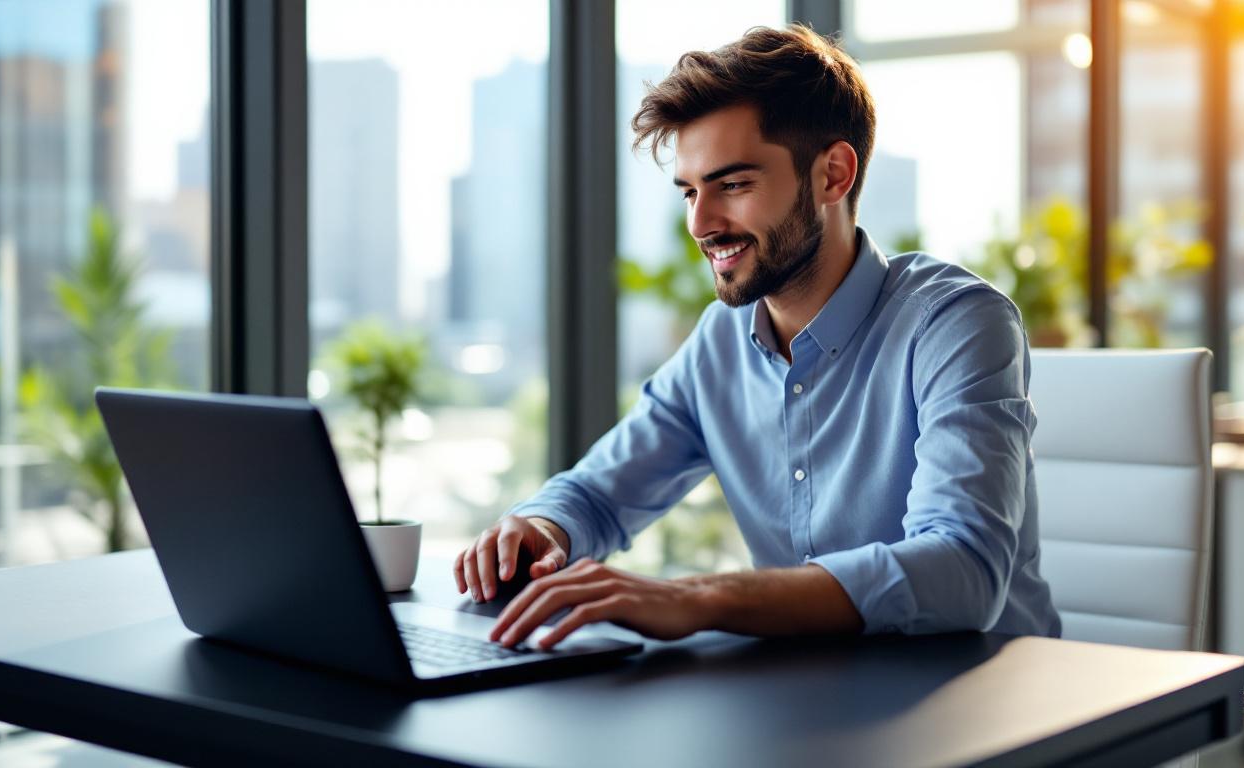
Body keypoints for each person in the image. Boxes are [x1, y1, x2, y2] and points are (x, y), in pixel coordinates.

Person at [454, 24, 1061, 651]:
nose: (700, 223)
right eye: (691, 191)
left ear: (833, 175)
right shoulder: (721, 340)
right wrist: (540, 528)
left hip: (987, 705)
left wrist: (698, 597)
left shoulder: (956, 323)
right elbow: (600, 495)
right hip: (808, 698)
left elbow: (962, 571)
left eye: (733, 185)